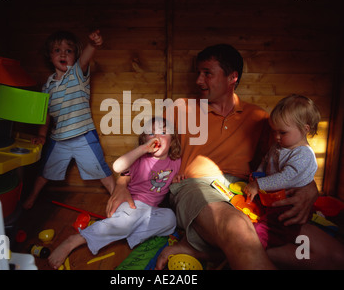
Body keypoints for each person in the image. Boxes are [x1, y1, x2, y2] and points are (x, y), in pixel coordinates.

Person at [107, 44, 343, 270]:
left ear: (233, 78)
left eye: (207, 73)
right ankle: (223, 248)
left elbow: (284, 161)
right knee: (237, 229)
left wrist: (310, 188)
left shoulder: (259, 117)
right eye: (198, 73)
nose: (199, 80)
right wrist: (122, 182)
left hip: (244, 191)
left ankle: (209, 252)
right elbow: (149, 151)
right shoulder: (180, 108)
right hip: (195, 186)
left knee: (334, 256)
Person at [48, 117, 182, 269]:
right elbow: (118, 167)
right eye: (151, 133)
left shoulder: (175, 162)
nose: (157, 137)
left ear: (172, 140)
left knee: (171, 220)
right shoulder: (140, 159)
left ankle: (124, 232)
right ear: (144, 139)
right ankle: (75, 240)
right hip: (130, 204)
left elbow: (180, 176)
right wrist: (143, 149)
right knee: (129, 220)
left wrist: (178, 179)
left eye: (163, 132)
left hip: (151, 211)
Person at [23, 30, 115, 209]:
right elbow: (45, 116)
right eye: (57, 50)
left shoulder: (77, 74)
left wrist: (93, 45)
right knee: (44, 172)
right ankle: (32, 197)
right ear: (50, 56)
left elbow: (86, 58)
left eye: (69, 50)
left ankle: (117, 196)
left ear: (75, 56)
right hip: (59, 140)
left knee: (102, 171)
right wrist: (42, 136)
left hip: (84, 136)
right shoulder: (47, 87)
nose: (63, 53)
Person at [244, 94, 321, 249]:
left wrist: (258, 184)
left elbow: (286, 177)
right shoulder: (278, 146)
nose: (277, 137)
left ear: (304, 129)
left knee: (273, 226)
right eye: (274, 131)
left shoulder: (303, 154)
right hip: (272, 198)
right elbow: (266, 162)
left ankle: (256, 243)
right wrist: (257, 175)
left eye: (283, 132)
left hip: (289, 204)